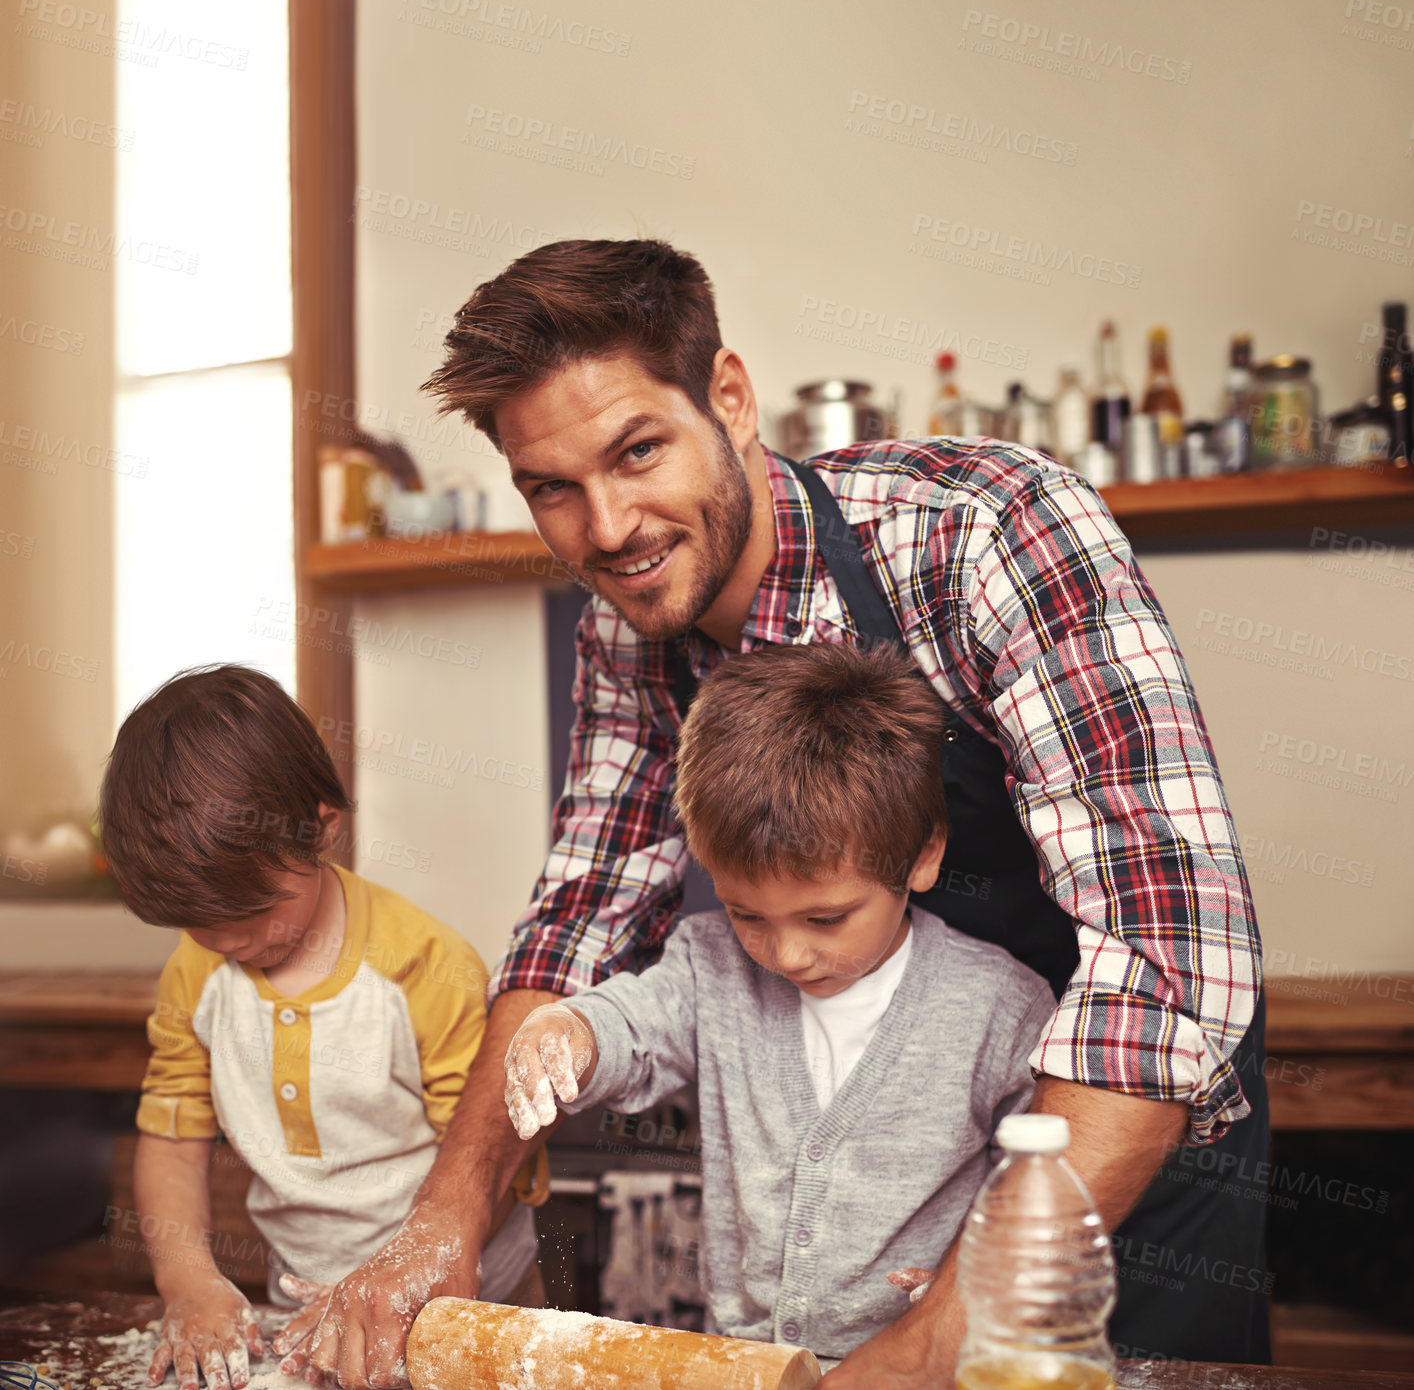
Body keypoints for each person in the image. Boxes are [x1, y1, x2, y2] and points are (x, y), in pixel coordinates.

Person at [305, 240, 1267, 1390]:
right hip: (874, 1226)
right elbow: (579, 926)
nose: (606, 528)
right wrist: (445, 1214)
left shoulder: (983, 532)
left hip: (1111, 1148)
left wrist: (939, 1334)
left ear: (731, 397)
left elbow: (1166, 962)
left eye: (638, 451)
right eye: (551, 487)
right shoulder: (631, 632)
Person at [503, 641, 1057, 1360]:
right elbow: (635, 1024)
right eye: (748, 915)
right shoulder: (711, 967)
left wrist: (971, 1285)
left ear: (921, 856)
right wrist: (570, 1031)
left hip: (931, 1366)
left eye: (825, 919)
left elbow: (1042, 1186)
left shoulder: (1001, 1007)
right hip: (745, 1366)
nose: (787, 954)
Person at [99, 665, 548, 1390]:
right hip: (306, 1306)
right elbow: (175, 1144)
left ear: (323, 830)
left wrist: (402, 1280)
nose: (232, 944)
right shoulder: (196, 973)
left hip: (473, 1297)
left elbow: (492, 1157)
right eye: (202, 926)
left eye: (253, 915)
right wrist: (188, 1285)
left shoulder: (425, 967)